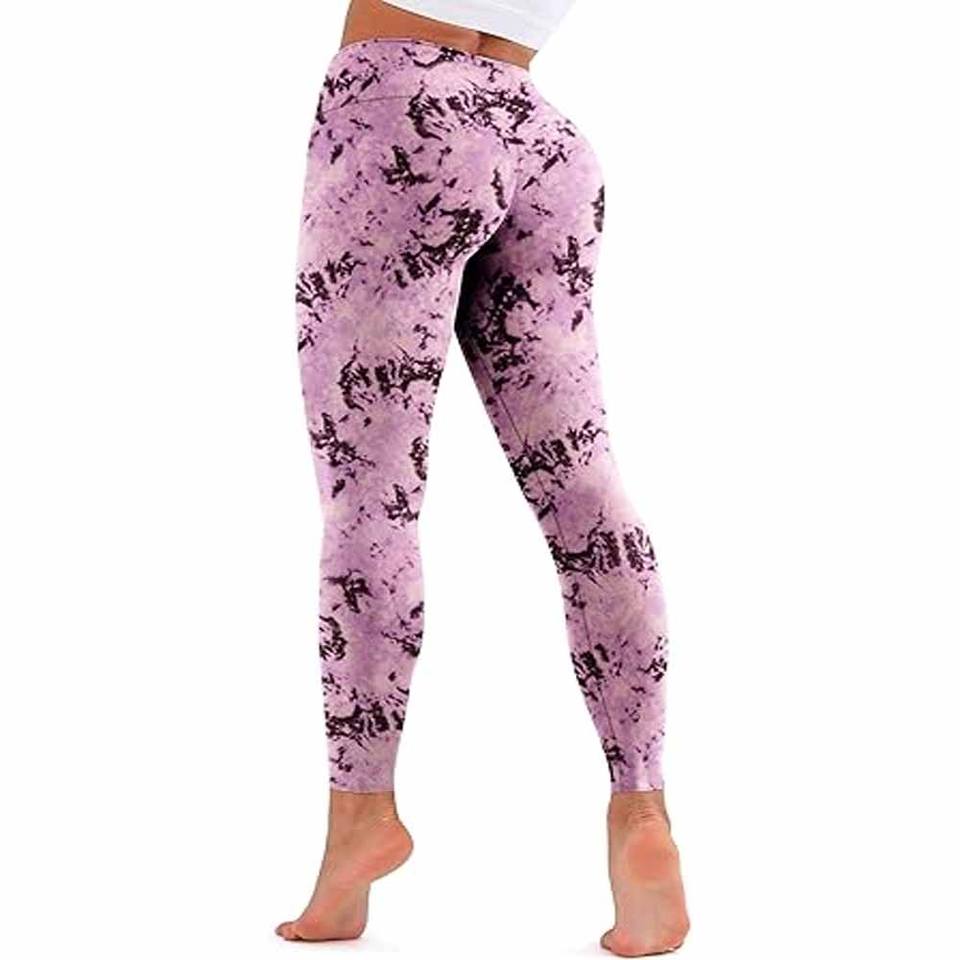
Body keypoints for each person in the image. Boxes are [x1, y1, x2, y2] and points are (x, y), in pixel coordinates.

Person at [277, 2, 690, 955]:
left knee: (369, 492)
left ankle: (360, 815)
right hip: (540, 136)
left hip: (398, 111)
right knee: (585, 490)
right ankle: (641, 806)